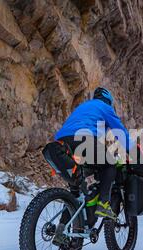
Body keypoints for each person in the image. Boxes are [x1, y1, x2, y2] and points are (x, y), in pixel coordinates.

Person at [54, 87, 136, 220]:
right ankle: (103, 204)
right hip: (83, 139)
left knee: (75, 191)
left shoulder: (83, 107)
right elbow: (120, 132)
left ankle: (62, 229)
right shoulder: (105, 107)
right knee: (110, 164)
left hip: (62, 142)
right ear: (108, 100)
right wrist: (133, 151)